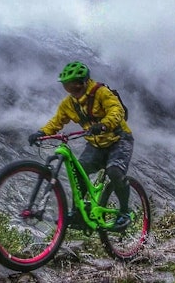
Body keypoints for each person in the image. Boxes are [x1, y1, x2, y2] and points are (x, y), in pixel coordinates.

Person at [28, 61, 134, 230]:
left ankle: (124, 212)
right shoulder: (68, 104)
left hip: (119, 139)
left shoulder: (101, 92)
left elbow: (117, 110)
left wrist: (104, 124)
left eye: (75, 87)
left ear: (85, 82)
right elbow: (57, 121)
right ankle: (79, 213)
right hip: (95, 144)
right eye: (67, 88)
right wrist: (42, 133)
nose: (72, 92)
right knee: (79, 173)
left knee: (115, 171)